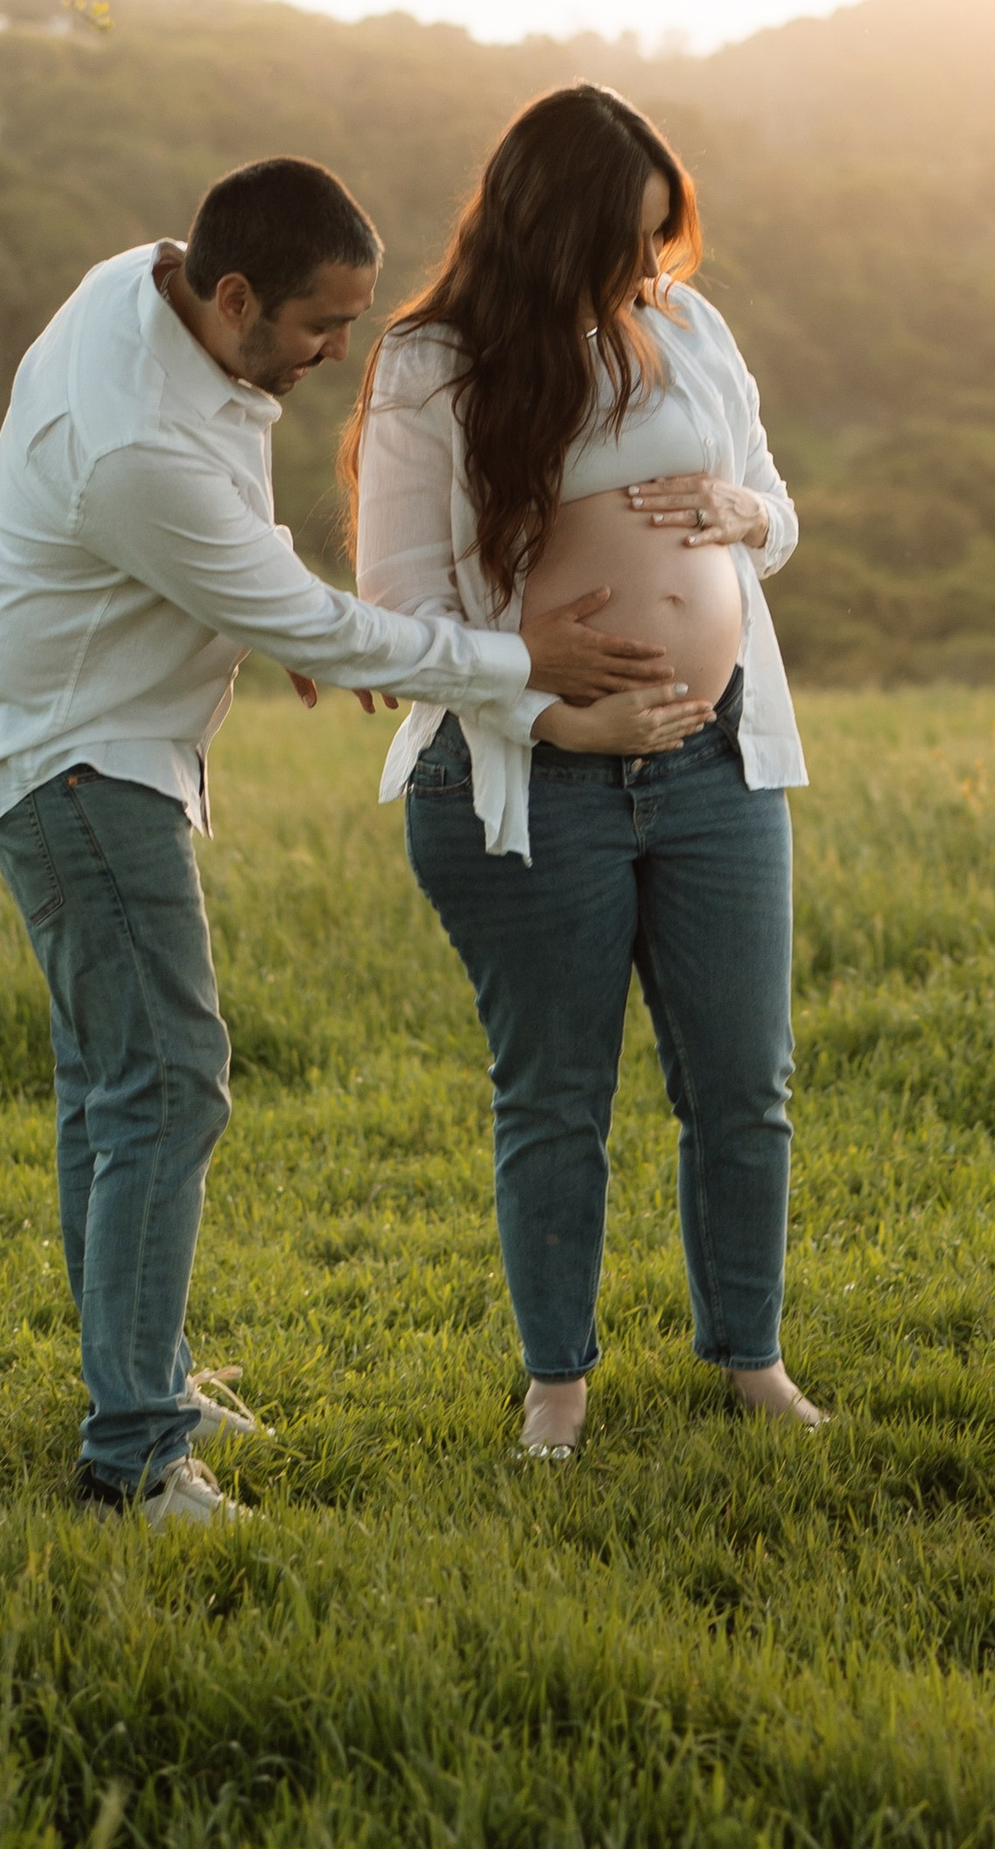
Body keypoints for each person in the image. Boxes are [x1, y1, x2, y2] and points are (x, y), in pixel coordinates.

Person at [0, 155, 677, 1529]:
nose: (342, 353)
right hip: (74, 763)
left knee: (114, 1088)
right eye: (320, 327)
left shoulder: (136, 282)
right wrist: (519, 657)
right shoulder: (138, 449)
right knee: (165, 1083)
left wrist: (239, 593)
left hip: (67, 733)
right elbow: (324, 624)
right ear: (232, 296)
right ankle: (137, 1457)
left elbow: (245, 555)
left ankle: (135, 1379)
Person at [346, 83, 819, 1463]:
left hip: (717, 766)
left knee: (743, 1082)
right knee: (555, 1095)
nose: (646, 269)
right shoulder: (433, 365)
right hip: (531, 780)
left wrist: (748, 516)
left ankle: (751, 1358)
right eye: (621, 241)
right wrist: (555, 715)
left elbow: (774, 508)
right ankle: (558, 1380)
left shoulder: (688, 325)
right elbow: (397, 612)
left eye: (660, 236)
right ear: (548, 231)